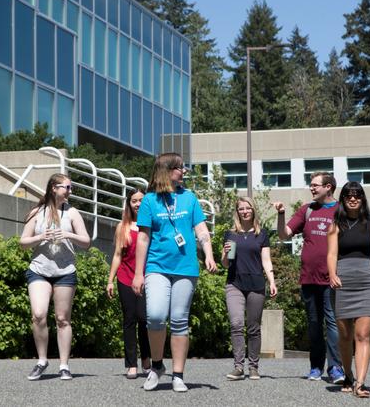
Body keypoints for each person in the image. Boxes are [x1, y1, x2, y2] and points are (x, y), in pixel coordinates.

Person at [132, 153, 218, 393]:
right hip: (157, 266)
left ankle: (178, 375)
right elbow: (143, 238)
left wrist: (208, 254)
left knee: (180, 320)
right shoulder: (149, 201)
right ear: (167, 171)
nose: (184, 171)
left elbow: (201, 229)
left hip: (185, 268)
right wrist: (138, 274)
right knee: (156, 316)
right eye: (180, 168)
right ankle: (157, 366)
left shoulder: (189, 198)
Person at [273, 171, 345, 384]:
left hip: (331, 277)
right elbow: (284, 234)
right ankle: (315, 367)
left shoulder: (340, 210)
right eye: (311, 185)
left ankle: (335, 369)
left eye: (316, 185)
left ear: (329, 187)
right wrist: (281, 214)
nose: (312, 188)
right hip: (308, 278)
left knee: (332, 322)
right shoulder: (307, 210)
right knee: (314, 324)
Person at [20, 173, 91, 381]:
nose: (70, 191)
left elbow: (86, 241)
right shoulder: (37, 212)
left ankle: (64, 365)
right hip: (39, 270)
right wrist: (40, 237)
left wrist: (67, 234)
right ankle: (42, 360)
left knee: (62, 319)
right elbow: (22, 243)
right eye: (67, 187)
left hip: (65, 272)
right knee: (39, 314)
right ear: (54, 188)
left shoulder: (72, 213)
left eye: (71, 188)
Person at [327, 181, 370, 398]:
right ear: (342, 199)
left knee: (363, 334)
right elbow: (332, 254)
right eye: (349, 196)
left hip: (366, 282)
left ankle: (360, 383)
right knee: (345, 337)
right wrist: (332, 274)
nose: (353, 199)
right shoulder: (335, 225)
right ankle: (348, 374)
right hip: (342, 282)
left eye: (357, 196)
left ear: (363, 199)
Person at [221, 197, 277, 381]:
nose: (245, 211)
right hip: (234, 283)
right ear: (237, 212)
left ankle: (253, 367)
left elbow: (266, 260)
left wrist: (272, 281)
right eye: (241, 209)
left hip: (256, 284)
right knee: (236, 324)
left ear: (253, 211)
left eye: (248, 208)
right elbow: (226, 264)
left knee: (253, 328)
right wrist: (224, 255)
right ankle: (238, 366)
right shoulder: (230, 235)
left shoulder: (261, 234)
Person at [106, 188, 151, 379]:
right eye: (134, 201)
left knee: (145, 318)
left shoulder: (151, 225)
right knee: (129, 320)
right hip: (125, 277)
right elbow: (117, 255)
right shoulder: (122, 227)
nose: (138, 204)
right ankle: (131, 364)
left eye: (141, 200)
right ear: (129, 204)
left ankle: (147, 360)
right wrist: (110, 280)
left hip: (147, 278)